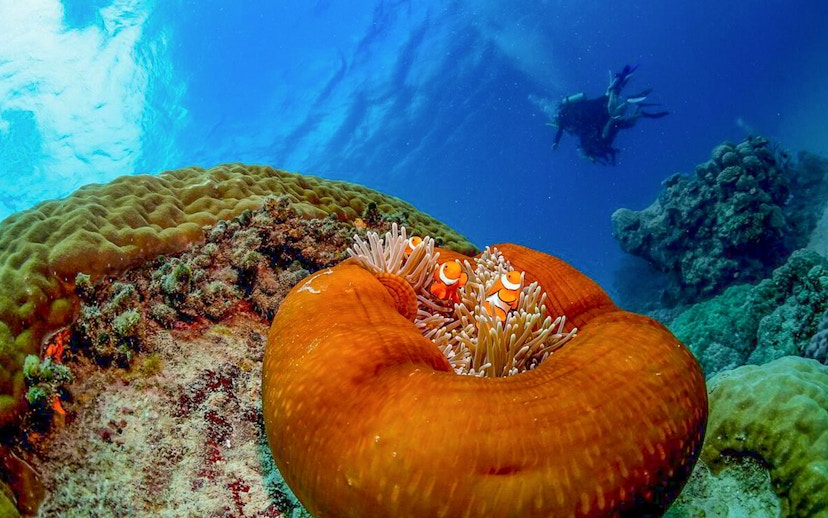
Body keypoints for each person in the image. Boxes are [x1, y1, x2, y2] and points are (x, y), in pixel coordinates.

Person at [550, 64, 668, 165]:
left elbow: (561, 130)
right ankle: (624, 94)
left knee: (612, 111)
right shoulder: (575, 121)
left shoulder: (565, 119)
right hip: (595, 111)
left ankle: (619, 91)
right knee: (613, 108)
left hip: (593, 113)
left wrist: (556, 142)